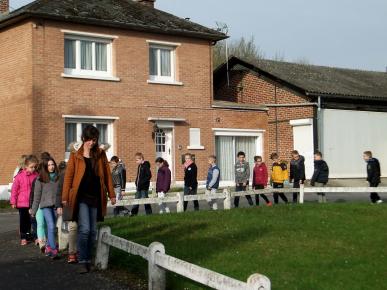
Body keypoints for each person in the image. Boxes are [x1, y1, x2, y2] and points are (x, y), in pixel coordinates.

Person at [62, 125, 116, 274]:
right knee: (84, 229)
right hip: (81, 197)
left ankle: (87, 257)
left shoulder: (100, 154)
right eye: (89, 140)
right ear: (83, 138)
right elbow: (69, 177)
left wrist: (111, 194)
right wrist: (65, 196)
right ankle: (83, 261)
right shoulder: (75, 154)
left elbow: (106, 175)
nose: (91, 143)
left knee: (92, 231)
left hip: (96, 196)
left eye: (94, 140)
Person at [30, 157, 61, 259]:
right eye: (48, 165)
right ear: (45, 167)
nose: (51, 167)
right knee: (51, 226)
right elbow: (36, 197)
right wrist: (33, 210)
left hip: (56, 206)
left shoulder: (58, 177)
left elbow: (61, 193)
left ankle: (48, 246)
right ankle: (53, 249)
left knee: (51, 228)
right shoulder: (40, 179)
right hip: (45, 207)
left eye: (52, 164)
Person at [10, 155, 39, 245]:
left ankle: (35, 236)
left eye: (35, 167)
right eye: (31, 167)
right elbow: (14, 190)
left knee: (34, 221)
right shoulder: (19, 176)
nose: (33, 169)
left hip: (33, 203)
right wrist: (13, 201)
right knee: (24, 221)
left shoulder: (36, 175)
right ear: (26, 166)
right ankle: (24, 237)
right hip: (22, 204)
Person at [57, 161, 78, 264]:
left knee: (84, 229)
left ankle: (82, 251)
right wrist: (58, 205)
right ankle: (72, 253)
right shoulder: (64, 174)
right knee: (73, 227)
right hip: (70, 204)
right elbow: (59, 191)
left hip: (83, 203)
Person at [30, 152, 51, 250]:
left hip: (47, 205)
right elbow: (32, 195)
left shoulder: (51, 179)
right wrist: (31, 207)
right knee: (40, 223)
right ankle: (42, 243)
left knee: (47, 224)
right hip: (38, 205)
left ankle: (47, 242)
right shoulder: (37, 180)